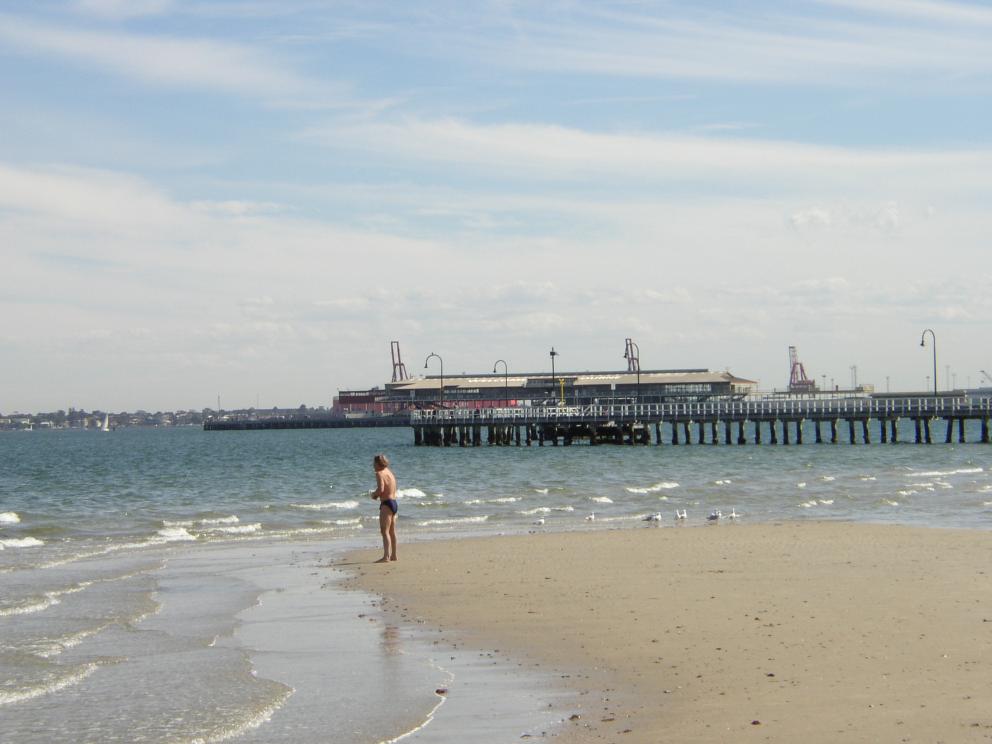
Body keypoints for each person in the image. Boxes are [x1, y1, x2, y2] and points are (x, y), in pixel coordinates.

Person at [370, 454, 398, 562]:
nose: (373, 465)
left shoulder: (379, 473)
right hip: (394, 502)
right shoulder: (389, 472)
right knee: (392, 531)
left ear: (378, 464)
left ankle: (386, 556)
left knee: (384, 531)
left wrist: (374, 495)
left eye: (374, 463)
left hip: (386, 503)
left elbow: (380, 489)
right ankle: (394, 555)